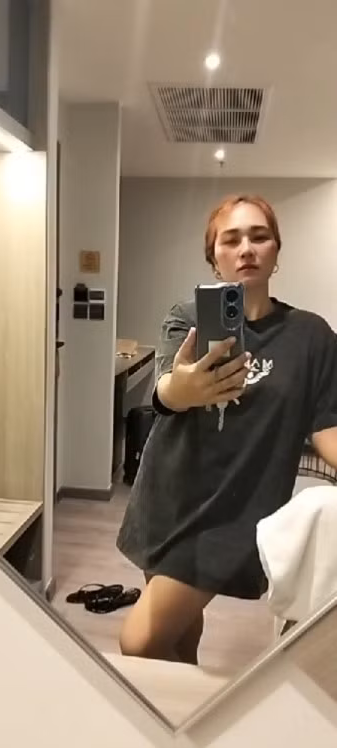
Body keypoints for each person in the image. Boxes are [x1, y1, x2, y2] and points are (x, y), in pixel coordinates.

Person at [116, 194, 337, 665]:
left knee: (140, 642)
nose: (246, 249)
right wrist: (184, 389)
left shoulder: (312, 336)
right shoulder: (190, 319)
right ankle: (180, 710)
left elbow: (328, 429)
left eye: (259, 237)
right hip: (169, 497)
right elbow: (166, 391)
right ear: (213, 258)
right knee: (178, 636)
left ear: (276, 252)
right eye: (231, 240)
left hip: (236, 511)